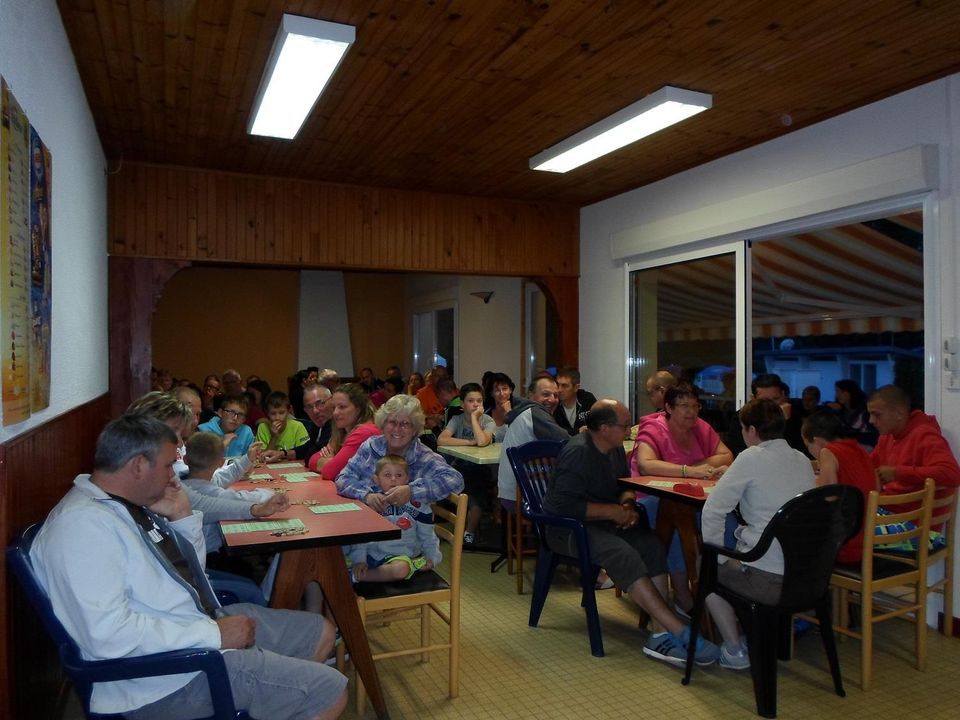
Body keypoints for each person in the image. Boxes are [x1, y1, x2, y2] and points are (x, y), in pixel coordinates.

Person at [29, 414, 347, 720]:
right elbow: (107, 634)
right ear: (138, 465)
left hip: (190, 629)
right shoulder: (82, 527)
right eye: (168, 465)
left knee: (320, 631)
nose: (174, 476)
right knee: (329, 691)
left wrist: (181, 519)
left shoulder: (122, 504)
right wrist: (212, 634)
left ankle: (272, 697)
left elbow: (190, 579)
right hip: (164, 678)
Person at [542, 400, 720, 667]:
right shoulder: (578, 452)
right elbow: (560, 505)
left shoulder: (614, 449)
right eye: (624, 425)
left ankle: (659, 632)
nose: (629, 430)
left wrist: (625, 506)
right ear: (603, 428)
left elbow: (625, 484)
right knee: (622, 553)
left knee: (651, 546)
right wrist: (613, 512)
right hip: (567, 528)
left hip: (603, 521)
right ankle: (677, 629)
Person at [701, 398, 816, 670]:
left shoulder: (750, 457)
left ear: (751, 430)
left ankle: (734, 649)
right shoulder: (800, 459)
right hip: (805, 577)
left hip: (769, 579)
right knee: (737, 555)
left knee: (705, 568)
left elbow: (713, 511)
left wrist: (718, 559)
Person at [631, 383, 733, 612]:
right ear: (668, 407)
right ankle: (682, 594)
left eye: (695, 406)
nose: (691, 412)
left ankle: (725, 586)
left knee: (725, 519)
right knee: (678, 523)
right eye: (684, 406)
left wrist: (698, 467)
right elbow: (646, 465)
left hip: (691, 497)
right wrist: (688, 471)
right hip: (651, 498)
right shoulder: (654, 428)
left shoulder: (700, 427)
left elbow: (726, 455)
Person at [336, 394, 465, 511]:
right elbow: (343, 478)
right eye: (392, 422)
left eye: (405, 424)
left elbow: (456, 480)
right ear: (383, 424)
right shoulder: (371, 446)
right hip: (369, 523)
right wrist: (366, 495)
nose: (397, 429)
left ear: (414, 429)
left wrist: (412, 491)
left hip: (407, 531)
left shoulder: (423, 456)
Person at [343, 454, 442, 582]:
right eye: (387, 475)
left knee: (401, 569)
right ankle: (354, 573)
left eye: (399, 475)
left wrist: (432, 557)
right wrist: (360, 560)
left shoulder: (419, 506)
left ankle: (354, 577)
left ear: (408, 479)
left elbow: (428, 536)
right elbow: (361, 536)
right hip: (370, 554)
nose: (393, 479)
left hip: (399, 557)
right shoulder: (371, 503)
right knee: (337, 553)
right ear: (376, 479)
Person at [801, 410, 877, 564]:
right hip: (868, 539)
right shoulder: (858, 449)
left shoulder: (827, 452)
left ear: (817, 441)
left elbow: (826, 497)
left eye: (808, 446)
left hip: (846, 544)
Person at [867, 384, 960, 495]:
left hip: (910, 510)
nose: (871, 420)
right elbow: (868, 465)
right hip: (892, 505)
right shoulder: (886, 437)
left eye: (876, 415)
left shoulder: (924, 435)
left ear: (899, 414)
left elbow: (952, 474)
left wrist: (897, 473)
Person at [497, 376, 570, 511]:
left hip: (511, 492)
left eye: (555, 395)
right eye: (546, 394)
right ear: (531, 396)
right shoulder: (535, 413)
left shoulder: (525, 412)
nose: (553, 399)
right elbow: (567, 443)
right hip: (522, 495)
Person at [439, 382, 496, 544]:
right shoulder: (456, 419)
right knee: (460, 490)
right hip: (460, 467)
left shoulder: (487, 420)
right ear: (462, 404)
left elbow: (481, 441)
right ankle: (452, 526)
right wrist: (467, 442)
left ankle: (468, 533)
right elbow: (442, 439)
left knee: (476, 499)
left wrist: (474, 419)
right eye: (471, 401)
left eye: (479, 400)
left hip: (480, 468)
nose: (476, 404)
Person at [308, 384, 381, 479]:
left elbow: (329, 471)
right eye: (333, 407)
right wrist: (334, 461)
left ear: (358, 409)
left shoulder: (365, 432)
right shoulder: (342, 431)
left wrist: (332, 460)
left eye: (342, 407)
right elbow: (312, 460)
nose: (335, 413)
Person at [256, 391, 310, 460]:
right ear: (267, 413)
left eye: (281, 413)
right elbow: (262, 458)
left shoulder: (298, 426)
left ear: (288, 411)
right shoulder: (263, 428)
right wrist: (274, 437)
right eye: (273, 413)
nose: (277, 417)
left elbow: (305, 453)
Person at [290, 383, 334, 464]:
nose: (315, 411)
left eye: (320, 403)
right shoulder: (318, 424)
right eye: (309, 407)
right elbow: (309, 447)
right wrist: (282, 453)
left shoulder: (336, 425)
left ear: (332, 401)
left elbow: (313, 454)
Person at [830, 379, 879, 449]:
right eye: (837, 392)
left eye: (841, 392)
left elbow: (873, 434)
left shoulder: (865, 410)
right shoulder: (840, 410)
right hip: (847, 445)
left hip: (865, 445)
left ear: (850, 392)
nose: (838, 395)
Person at [553, 366, 598, 435]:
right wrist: (577, 431)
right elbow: (553, 431)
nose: (559, 390)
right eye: (558, 385)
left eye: (564, 386)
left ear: (576, 388)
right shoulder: (553, 402)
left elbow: (599, 422)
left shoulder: (587, 399)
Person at [485, 372, 520, 441]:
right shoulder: (486, 413)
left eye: (504, 389)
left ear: (510, 390)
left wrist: (510, 414)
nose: (501, 393)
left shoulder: (519, 409)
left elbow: (520, 436)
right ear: (491, 393)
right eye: (497, 390)